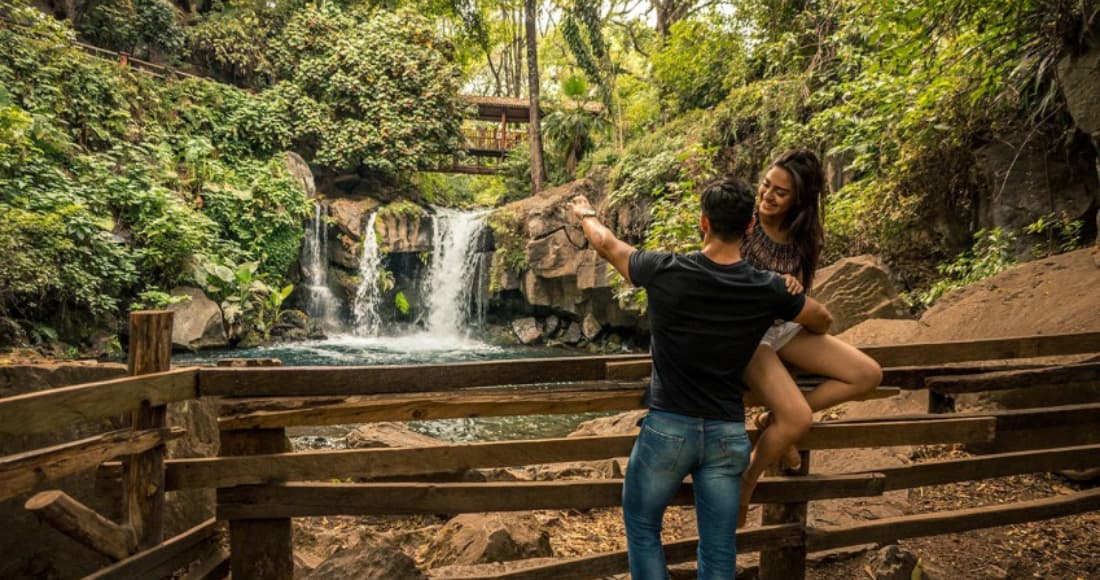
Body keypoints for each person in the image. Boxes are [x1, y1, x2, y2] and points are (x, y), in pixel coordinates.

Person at [568, 177, 834, 579]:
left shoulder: (665, 268)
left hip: (668, 428)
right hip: (727, 434)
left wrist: (585, 213)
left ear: (703, 222)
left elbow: (605, 243)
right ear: (749, 227)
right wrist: (788, 292)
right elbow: (822, 319)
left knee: (642, 527)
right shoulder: (766, 287)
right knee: (718, 546)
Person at [737, 149, 884, 526]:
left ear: (799, 200)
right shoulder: (743, 224)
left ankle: (774, 420)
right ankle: (747, 483)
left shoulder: (805, 238)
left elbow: (801, 294)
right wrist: (769, 285)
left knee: (868, 374)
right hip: (746, 335)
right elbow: (721, 275)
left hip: (783, 328)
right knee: (799, 419)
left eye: (780, 192)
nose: (767, 195)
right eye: (766, 185)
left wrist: (792, 289)